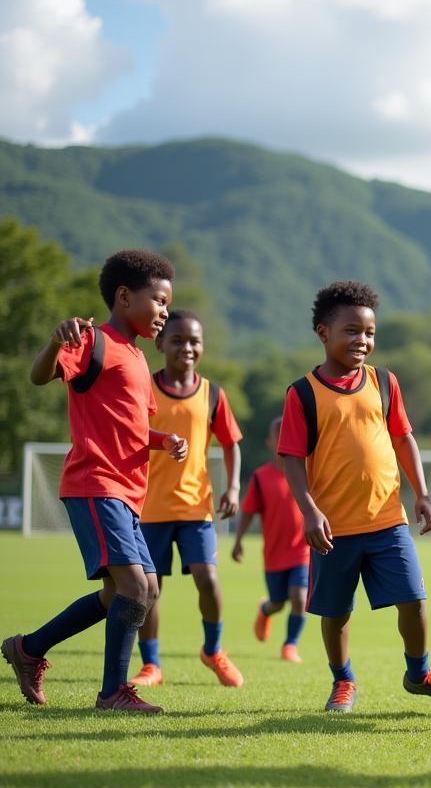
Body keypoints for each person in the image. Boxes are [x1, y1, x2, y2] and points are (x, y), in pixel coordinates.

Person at [2, 249, 186, 713]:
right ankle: (112, 693)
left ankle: (28, 649)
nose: (165, 311)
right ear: (124, 297)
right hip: (95, 482)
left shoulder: (140, 359)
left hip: (127, 493)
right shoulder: (92, 341)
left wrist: (163, 440)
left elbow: (130, 428)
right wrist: (53, 342)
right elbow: (39, 376)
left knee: (136, 589)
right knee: (134, 588)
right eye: (159, 300)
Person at [278, 280, 431, 714]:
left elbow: (404, 439)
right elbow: (291, 458)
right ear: (323, 333)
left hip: (387, 519)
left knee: (414, 599)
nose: (362, 340)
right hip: (333, 528)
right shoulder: (303, 393)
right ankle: (343, 681)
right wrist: (309, 512)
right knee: (335, 612)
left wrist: (421, 492)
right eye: (351, 331)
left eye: (368, 332)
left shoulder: (383, 382)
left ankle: (419, 672)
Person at [129, 310, 244, 688]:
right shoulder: (144, 386)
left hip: (196, 506)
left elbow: (230, 443)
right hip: (149, 506)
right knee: (150, 588)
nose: (187, 347)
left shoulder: (213, 393)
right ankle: (152, 665)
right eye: (177, 340)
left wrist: (233, 486)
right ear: (160, 344)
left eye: (194, 341)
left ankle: (213, 650)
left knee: (208, 579)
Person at [232, 416, 310, 663]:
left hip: (303, 550)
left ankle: (290, 645)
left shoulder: (308, 472)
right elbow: (248, 511)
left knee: (299, 597)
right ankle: (265, 609)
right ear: (270, 442)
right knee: (278, 602)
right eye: (278, 437)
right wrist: (238, 541)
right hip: (274, 554)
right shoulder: (261, 477)